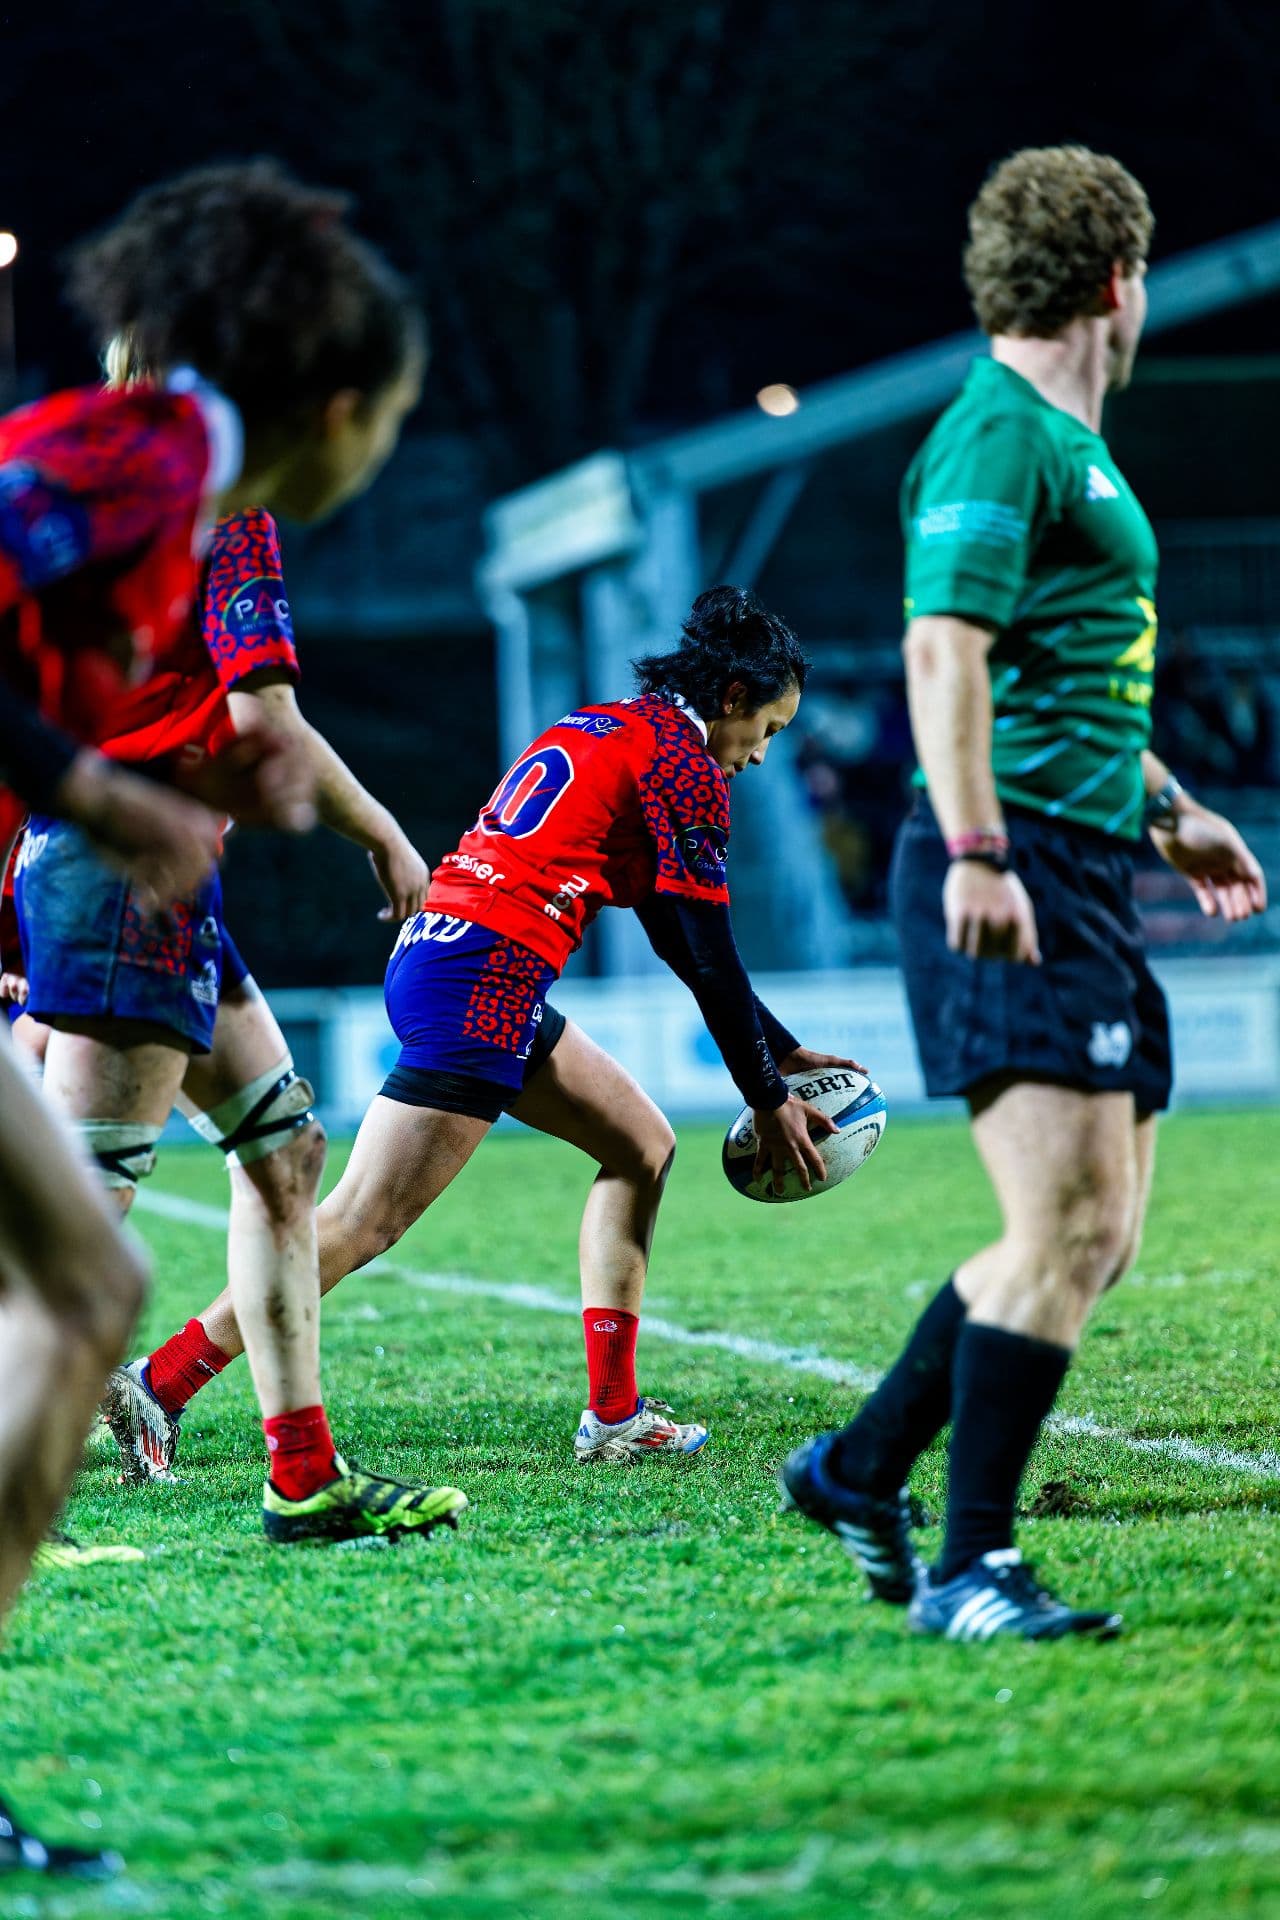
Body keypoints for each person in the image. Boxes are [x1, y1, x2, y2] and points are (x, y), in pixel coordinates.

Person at [783, 146, 1267, 1641]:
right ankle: (973, 1564)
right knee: (1057, 1223)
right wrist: (983, 849)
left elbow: (1068, 691)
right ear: (1121, 278)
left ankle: (863, 1471)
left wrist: (1172, 811)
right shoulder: (1005, 435)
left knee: (1096, 1238)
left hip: (1084, 859)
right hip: (1018, 866)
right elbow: (947, 656)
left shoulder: (1070, 446)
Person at [114, 586, 857, 1462]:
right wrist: (767, 1095)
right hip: (486, 977)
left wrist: (778, 1052)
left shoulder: (604, 725)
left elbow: (679, 937)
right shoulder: (684, 764)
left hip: (446, 947)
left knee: (641, 1146)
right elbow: (708, 950)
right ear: (732, 700)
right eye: (767, 729)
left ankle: (614, 1419)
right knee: (361, 1221)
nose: (762, 755)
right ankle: (159, 1386)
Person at [12, 161, 465, 1550]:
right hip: (108, 884)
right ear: (337, 408)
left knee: (279, 1153)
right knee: (77, 1278)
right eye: (391, 423)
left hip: (132, 870)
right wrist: (105, 797)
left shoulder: (156, 472)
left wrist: (147, 787)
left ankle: (303, 1468)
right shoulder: (156, 475)